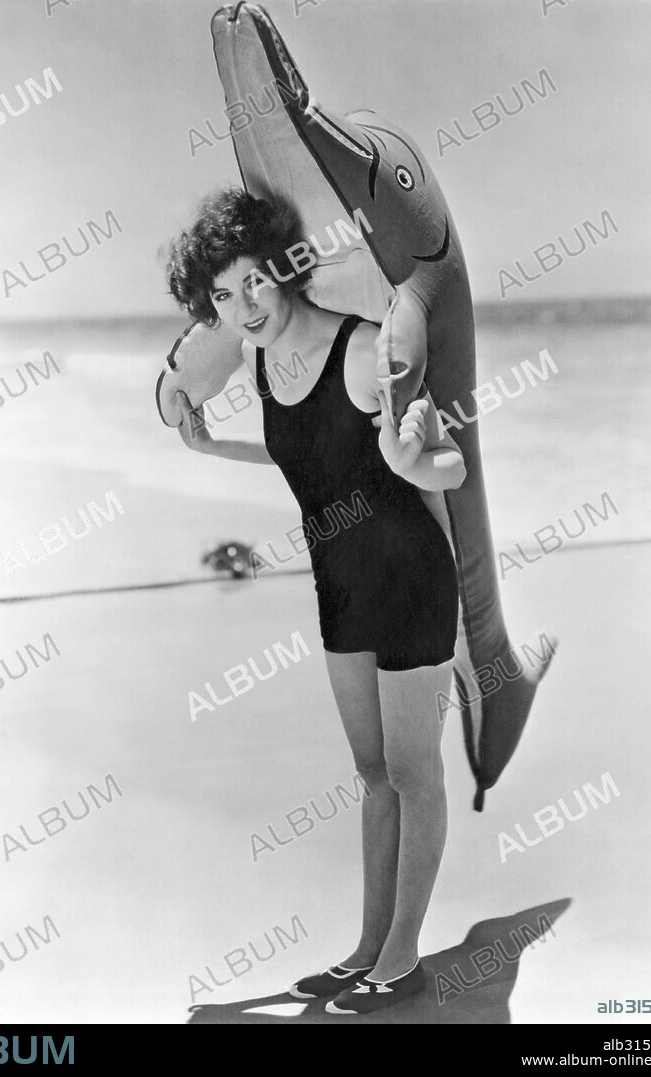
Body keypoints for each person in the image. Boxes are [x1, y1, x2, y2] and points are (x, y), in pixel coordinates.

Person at [165, 187, 466, 1016]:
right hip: (338, 586)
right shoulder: (261, 362)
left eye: (252, 283)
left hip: (410, 579)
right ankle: (366, 948)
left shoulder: (369, 350)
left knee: (414, 772)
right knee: (372, 775)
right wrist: (211, 445)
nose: (243, 307)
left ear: (285, 266)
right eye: (222, 296)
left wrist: (413, 466)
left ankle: (403, 958)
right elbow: (310, 460)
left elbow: (450, 468)